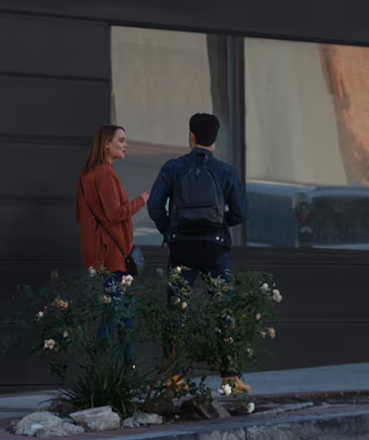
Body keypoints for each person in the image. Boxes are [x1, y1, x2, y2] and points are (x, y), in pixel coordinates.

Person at [147, 112, 250, 394]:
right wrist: (218, 225)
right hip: (215, 248)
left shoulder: (173, 167)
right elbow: (241, 212)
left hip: (181, 248)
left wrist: (171, 229)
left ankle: (173, 377)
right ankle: (230, 378)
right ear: (213, 141)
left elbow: (155, 206)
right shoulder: (226, 172)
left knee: (176, 311)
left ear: (191, 137)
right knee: (223, 310)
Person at [76, 125, 147, 364]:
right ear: (107, 143)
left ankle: (120, 375)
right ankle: (113, 375)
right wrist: (141, 201)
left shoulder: (86, 174)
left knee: (119, 316)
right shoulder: (105, 173)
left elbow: (80, 215)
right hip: (113, 256)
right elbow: (115, 213)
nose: (125, 145)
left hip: (101, 256)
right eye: (122, 140)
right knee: (116, 318)